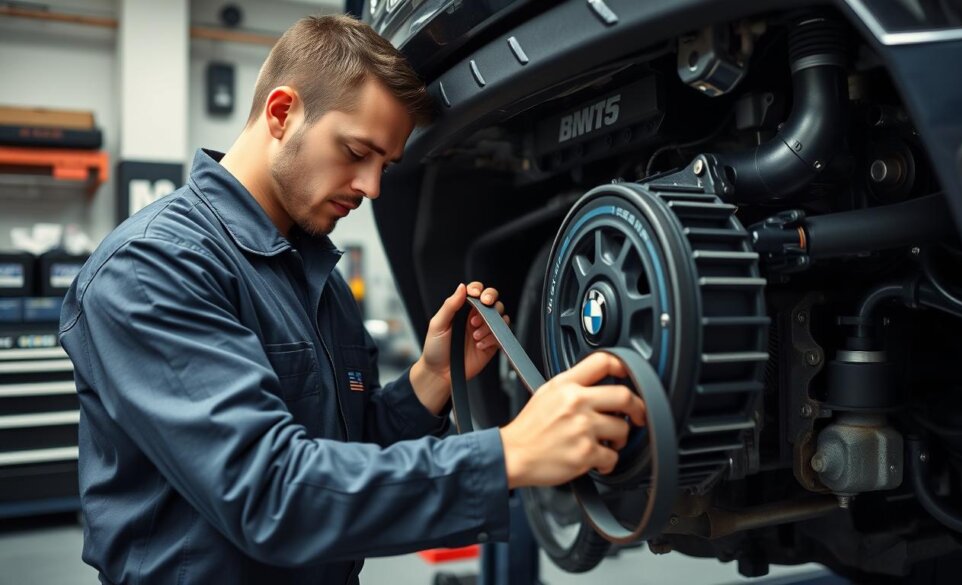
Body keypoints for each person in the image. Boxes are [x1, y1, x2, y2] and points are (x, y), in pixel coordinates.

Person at [58, 14, 646, 585]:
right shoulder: (153, 268)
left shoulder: (315, 268)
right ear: (282, 112)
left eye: (385, 165)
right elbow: (271, 496)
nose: (372, 188)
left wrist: (431, 378)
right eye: (357, 152)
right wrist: (511, 453)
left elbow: (346, 451)